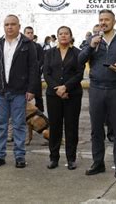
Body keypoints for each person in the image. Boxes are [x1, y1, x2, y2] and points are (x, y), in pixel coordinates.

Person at [79, 9, 116, 179]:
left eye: (107, 20)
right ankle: (98, 163)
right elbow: (80, 60)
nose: (103, 22)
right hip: (96, 88)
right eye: (101, 19)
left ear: (114, 22)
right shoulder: (92, 40)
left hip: (115, 89)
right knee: (96, 129)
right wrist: (91, 46)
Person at [0, 15, 39, 168]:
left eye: (13, 24)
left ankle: (20, 156)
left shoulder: (27, 44)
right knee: (0, 124)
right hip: (0, 91)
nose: (10, 27)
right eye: (7, 24)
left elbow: (34, 68)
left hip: (19, 91)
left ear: (19, 26)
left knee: (19, 124)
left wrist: (31, 89)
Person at [43, 26, 84, 170]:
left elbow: (79, 74)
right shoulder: (49, 53)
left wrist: (66, 88)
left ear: (71, 36)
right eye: (61, 34)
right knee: (55, 127)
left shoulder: (78, 53)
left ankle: (71, 158)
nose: (63, 36)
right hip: (53, 95)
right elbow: (46, 73)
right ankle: (54, 158)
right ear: (57, 36)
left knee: (71, 127)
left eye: (66, 33)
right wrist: (57, 89)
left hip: (72, 95)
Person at [24, 26, 44, 112]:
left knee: (38, 97)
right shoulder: (20, 46)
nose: (30, 34)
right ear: (24, 34)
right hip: (23, 77)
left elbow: (42, 59)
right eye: (28, 33)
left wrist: (34, 68)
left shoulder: (38, 46)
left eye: (31, 33)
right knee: (21, 98)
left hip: (35, 76)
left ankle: (40, 116)